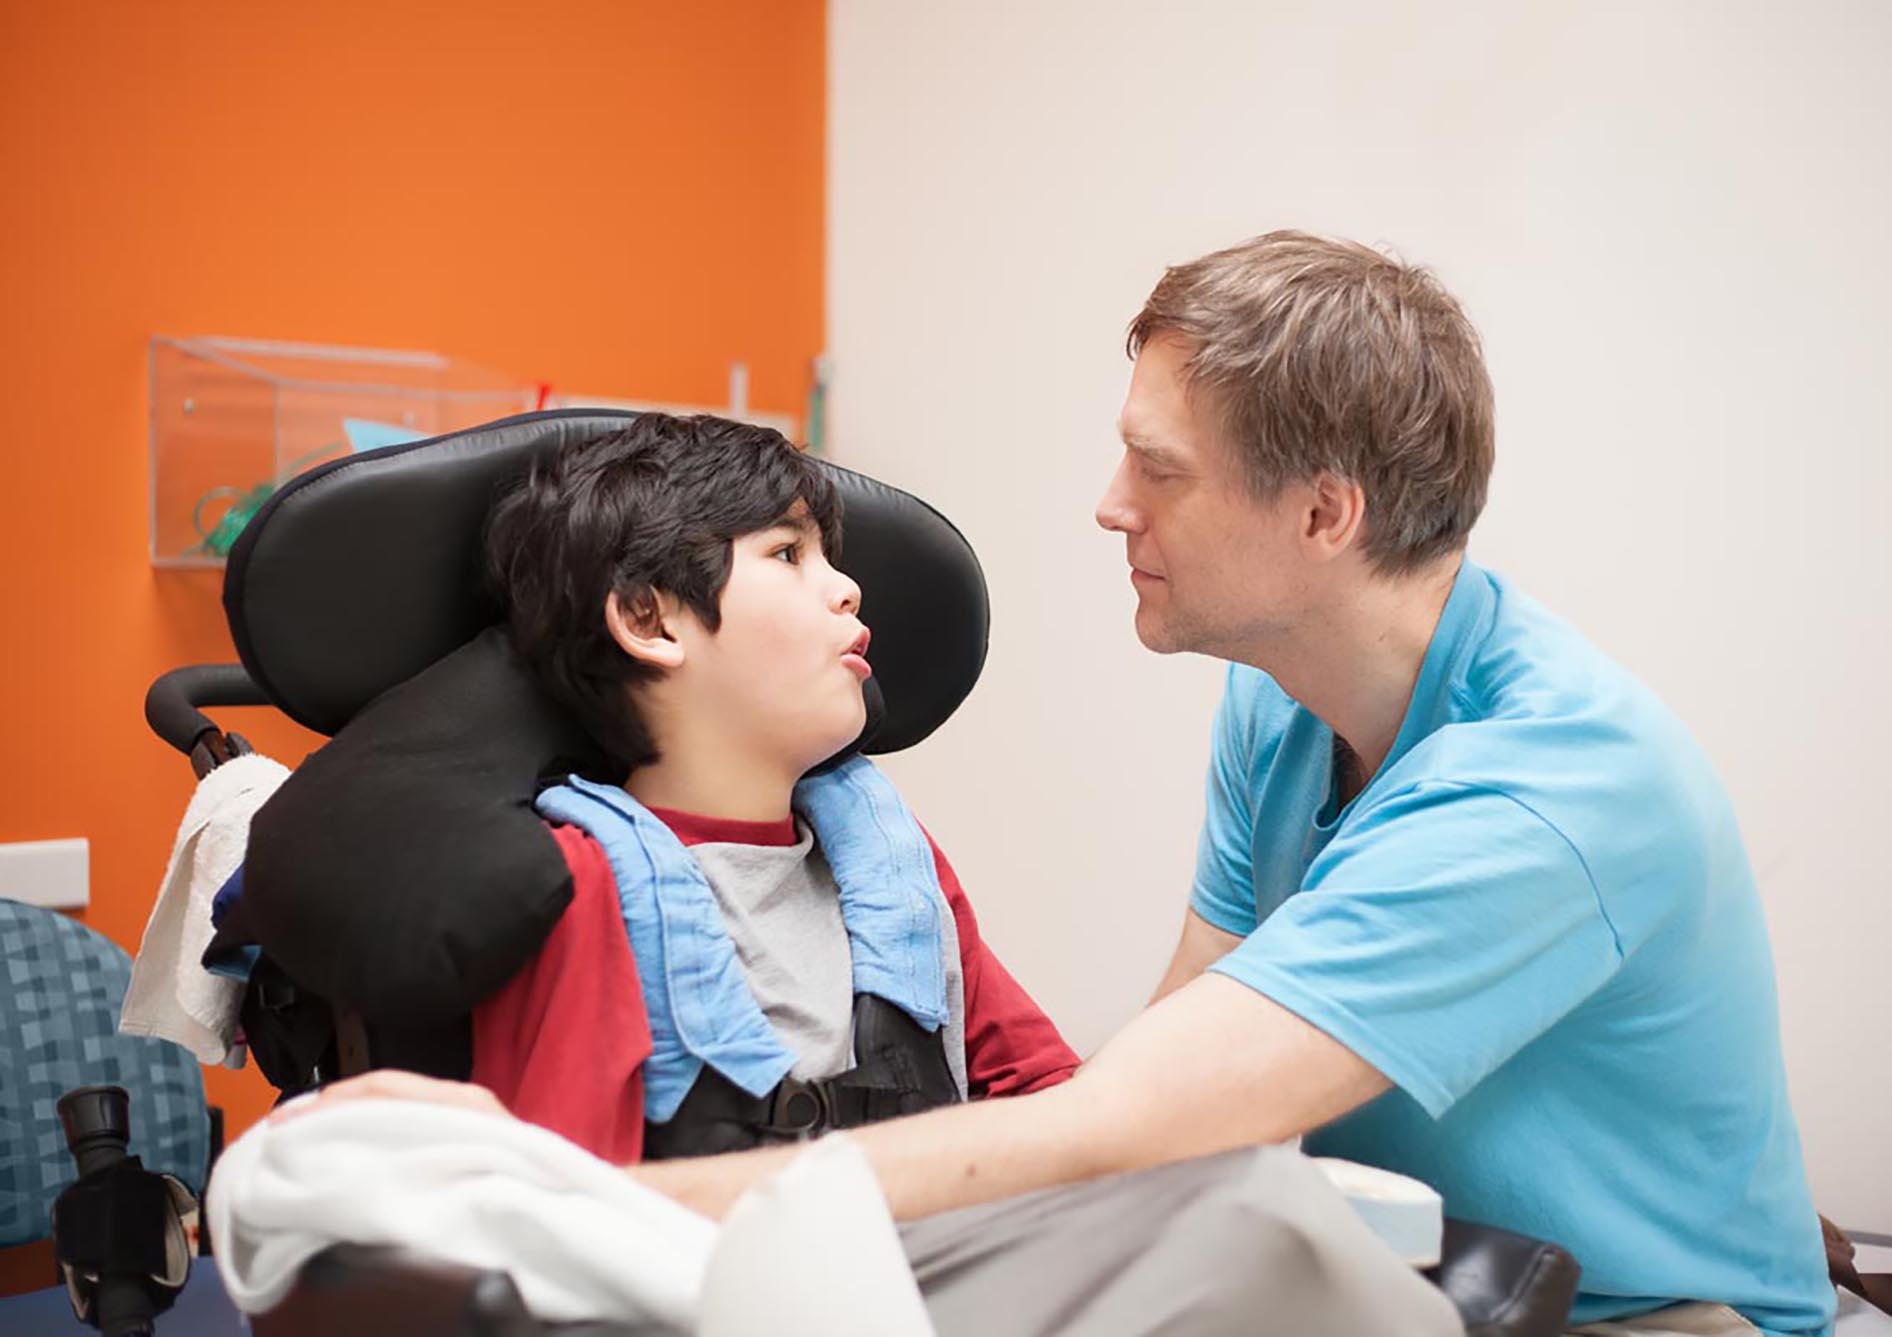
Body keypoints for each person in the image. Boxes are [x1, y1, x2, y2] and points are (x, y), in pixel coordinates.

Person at [303, 234, 1835, 1337]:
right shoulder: (1280, 709)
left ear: (1322, 515)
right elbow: (1147, 1088)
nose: (1109, 508)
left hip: (1640, 1317)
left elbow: (1130, 1124)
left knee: (1255, 1238)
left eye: (1158, 471)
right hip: (1405, 1262)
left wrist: (547, 1204)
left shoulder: (1550, 788)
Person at [462, 413, 1080, 1161]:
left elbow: (1058, 1108)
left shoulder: (896, 868)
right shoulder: (585, 888)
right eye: (788, 553)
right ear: (647, 618)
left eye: (829, 556)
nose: (848, 588)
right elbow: (563, 1214)